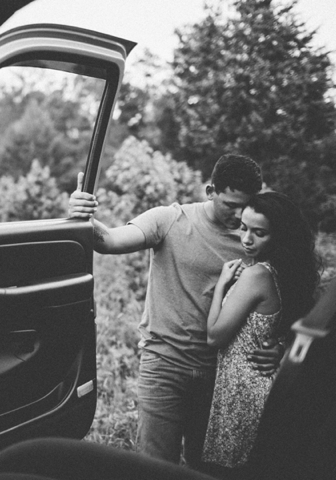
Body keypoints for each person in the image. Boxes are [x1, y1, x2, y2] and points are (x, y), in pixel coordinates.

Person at [68, 154, 283, 469]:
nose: (238, 215)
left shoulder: (255, 237)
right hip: (164, 365)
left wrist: (280, 345)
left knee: (207, 468)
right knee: (155, 466)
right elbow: (109, 240)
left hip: (220, 373)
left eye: (245, 205)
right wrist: (82, 213)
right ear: (210, 191)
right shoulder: (170, 220)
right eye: (229, 204)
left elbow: (287, 293)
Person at [200, 192, 320, 478]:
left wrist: (222, 285)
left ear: (279, 236)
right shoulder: (287, 274)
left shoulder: (256, 276)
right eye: (244, 227)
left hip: (242, 392)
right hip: (264, 387)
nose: (246, 239)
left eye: (259, 233)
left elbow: (215, 337)